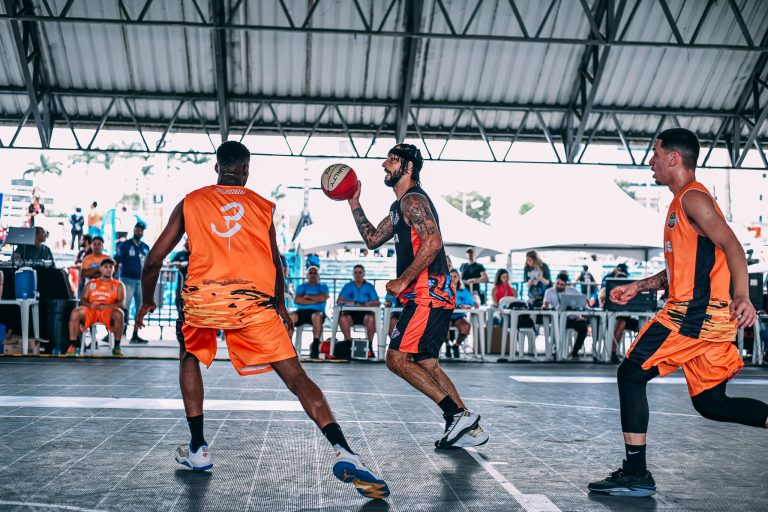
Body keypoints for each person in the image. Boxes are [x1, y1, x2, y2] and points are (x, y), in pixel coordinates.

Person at [135, 142, 388, 499]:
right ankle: (344, 450)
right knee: (297, 377)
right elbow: (275, 261)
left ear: (217, 167)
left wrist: (147, 300)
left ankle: (198, 448)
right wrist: (281, 304)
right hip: (254, 302)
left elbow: (154, 260)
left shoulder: (191, 201)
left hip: (204, 300)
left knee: (189, 355)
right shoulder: (262, 206)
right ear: (246, 170)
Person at [588, 128, 768, 498]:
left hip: (692, 317)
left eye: (655, 154)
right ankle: (636, 473)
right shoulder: (679, 205)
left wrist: (742, 295)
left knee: (630, 374)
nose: (650, 162)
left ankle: (636, 473)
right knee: (712, 403)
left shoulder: (693, 198)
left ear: (674, 158)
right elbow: (681, 271)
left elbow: (732, 245)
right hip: (705, 321)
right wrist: (639, 286)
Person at [346, 142, 487, 448]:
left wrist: (403, 280)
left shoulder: (413, 200)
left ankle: (455, 414)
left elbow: (433, 242)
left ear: (408, 167)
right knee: (427, 362)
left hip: (427, 291)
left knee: (396, 359)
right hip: (433, 292)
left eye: (392, 160)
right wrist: (354, 202)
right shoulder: (400, 207)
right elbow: (372, 239)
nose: (385, 164)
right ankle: (469, 428)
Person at [66, 258, 125, 356]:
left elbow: (121, 303)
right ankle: (73, 346)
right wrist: (90, 305)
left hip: (108, 311)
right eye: (105, 267)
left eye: (111, 267)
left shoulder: (119, 285)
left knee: (120, 314)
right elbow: (83, 300)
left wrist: (107, 306)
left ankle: (117, 347)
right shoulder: (91, 283)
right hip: (92, 310)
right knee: (75, 312)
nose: (108, 269)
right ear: (100, 269)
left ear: (114, 270)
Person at [114, 222, 150, 344]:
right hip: (127, 280)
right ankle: (120, 332)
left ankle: (135, 334)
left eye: (141, 230)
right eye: (137, 229)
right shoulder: (125, 245)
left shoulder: (145, 247)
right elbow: (116, 261)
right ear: (134, 230)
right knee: (124, 307)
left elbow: (149, 263)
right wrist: (114, 277)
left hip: (141, 282)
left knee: (140, 308)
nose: (139, 232)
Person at [543, 272, 588, 360]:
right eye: (558, 283)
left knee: (583, 328)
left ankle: (575, 351)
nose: (559, 286)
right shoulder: (549, 292)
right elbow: (545, 305)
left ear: (566, 284)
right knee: (557, 328)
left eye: (562, 285)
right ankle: (557, 349)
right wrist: (545, 307)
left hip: (572, 319)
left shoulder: (572, 290)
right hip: (558, 319)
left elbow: (584, 301)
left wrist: (583, 314)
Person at [337, 264, 379, 358]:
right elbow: (339, 301)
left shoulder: (369, 286)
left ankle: (369, 345)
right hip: (350, 313)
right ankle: (348, 344)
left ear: (364, 274)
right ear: (353, 274)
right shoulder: (348, 286)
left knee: (371, 318)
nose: (358, 275)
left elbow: (377, 302)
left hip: (365, 314)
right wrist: (354, 303)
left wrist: (369, 303)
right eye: (356, 272)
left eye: (360, 272)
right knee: (342, 318)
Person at [291, 266, 329, 359]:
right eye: (310, 273)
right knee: (291, 317)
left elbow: (322, 298)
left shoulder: (323, 287)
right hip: (301, 312)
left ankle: (315, 346)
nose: (313, 275)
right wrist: (315, 301)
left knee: (317, 316)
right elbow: (297, 300)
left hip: (317, 312)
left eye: (315, 273)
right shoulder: (302, 287)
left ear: (318, 275)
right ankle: (287, 346)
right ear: (307, 275)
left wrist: (307, 297)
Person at [447, 269, 476, 359]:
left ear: (458, 278)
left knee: (466, 326)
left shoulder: (463, 291)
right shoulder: (443, 290)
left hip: (459, 316)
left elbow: (471, 304)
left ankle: (456, 345)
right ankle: (448, 345)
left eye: (455, 277)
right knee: (443, 326)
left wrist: (466, 306)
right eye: (450, 277)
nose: (452, 278)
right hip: (446, 316)